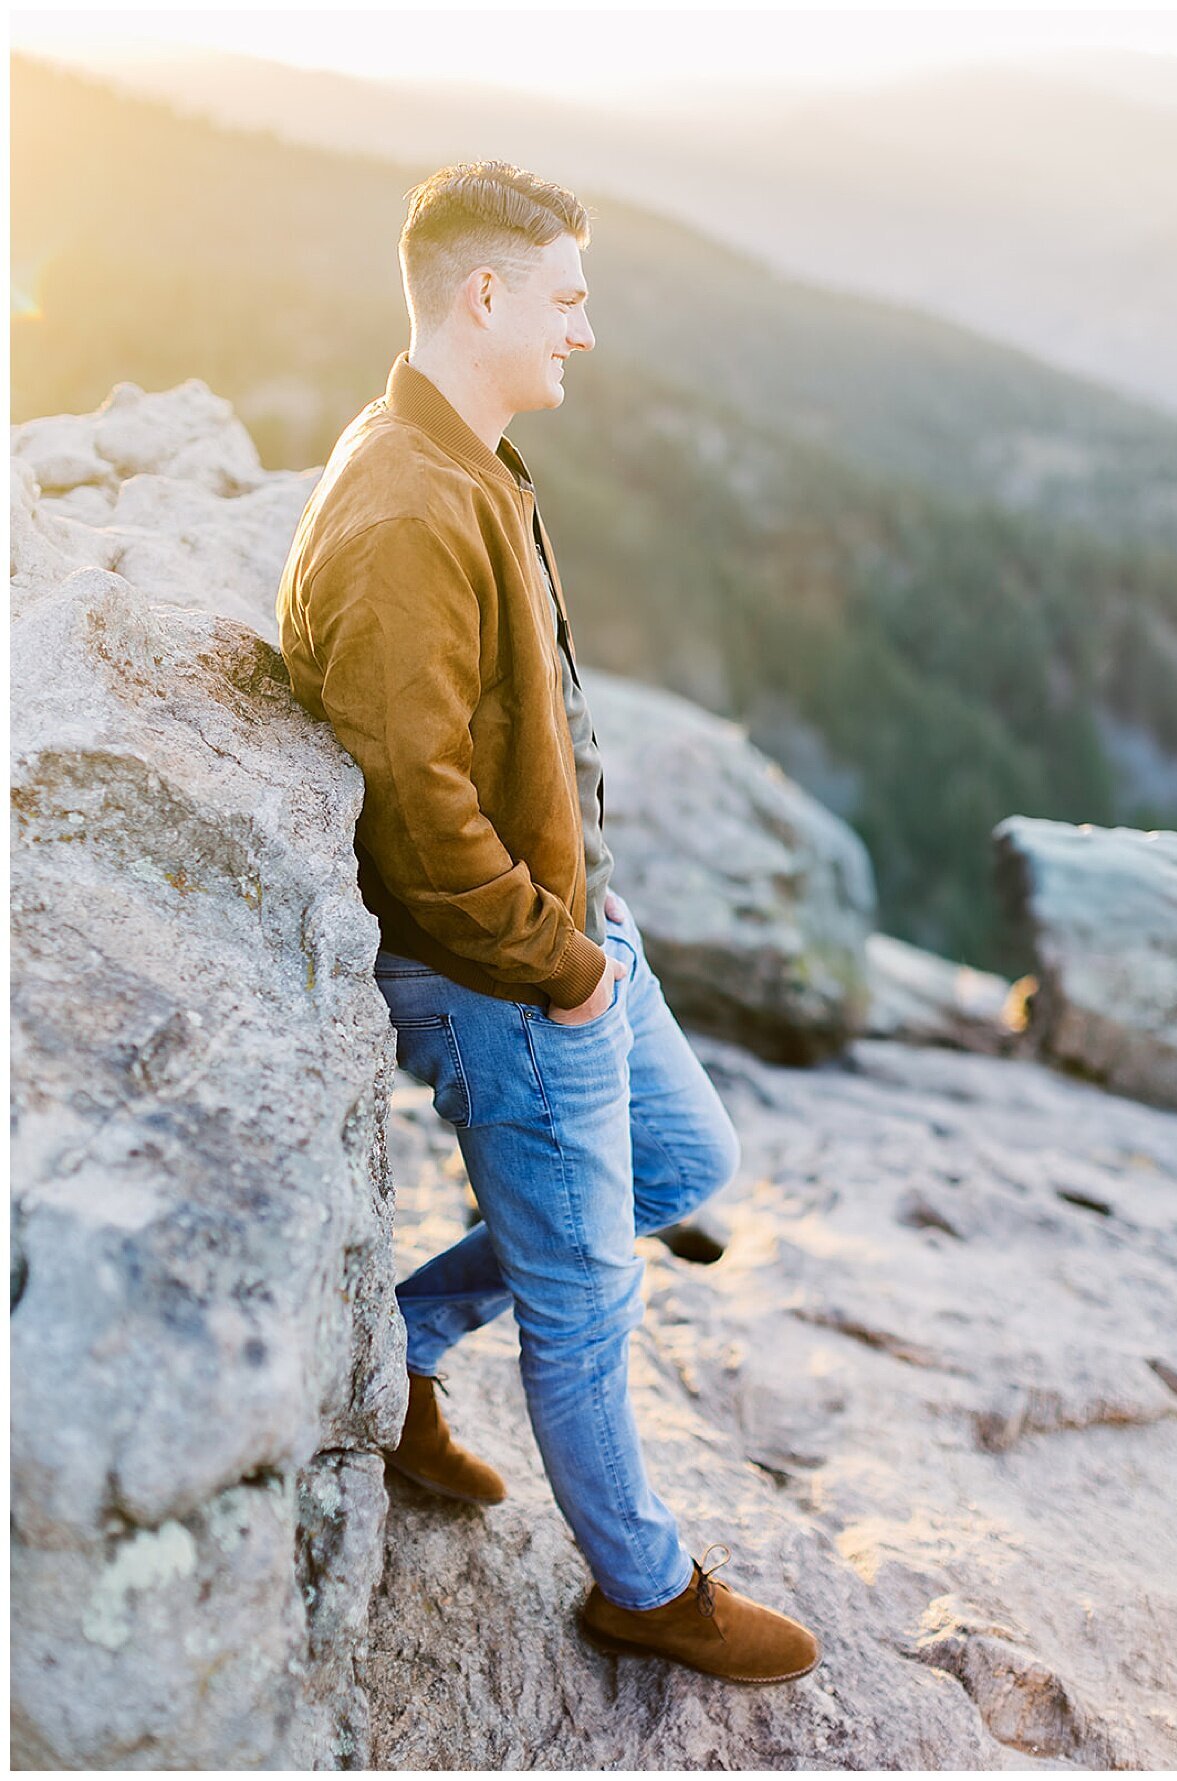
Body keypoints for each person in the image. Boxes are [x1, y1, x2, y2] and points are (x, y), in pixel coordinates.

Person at [275, 159, 820, 1685]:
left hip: (577, 930)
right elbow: (415, 805)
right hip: (509, 973)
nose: (587, 331)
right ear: (486, 294)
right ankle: (644, 1584)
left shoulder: (467, 455)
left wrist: (593, 929)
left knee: (692, 1165)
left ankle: (409, 1342)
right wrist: (566, 967)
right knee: (586, 1307)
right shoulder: (403, 503)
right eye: (569, 300)